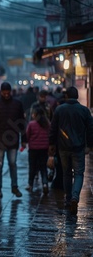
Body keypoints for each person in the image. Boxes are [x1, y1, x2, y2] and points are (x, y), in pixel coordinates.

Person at [48, 87, 93, 215]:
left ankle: (68, 200)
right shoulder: (84, 111)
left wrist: (51, 143)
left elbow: (53, 128)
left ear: (67, 96)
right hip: (78, 147)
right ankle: (75, 197)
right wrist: (89, 145)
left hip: (63, 147)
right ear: (77, 96)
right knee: (78, 173)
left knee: (66, 173)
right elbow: (90, 128)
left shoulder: (59, 109)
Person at [0, 82, 27, 198]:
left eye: (8, 92)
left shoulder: (17, 104)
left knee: (13, 163)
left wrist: (24, 139)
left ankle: (14, 187)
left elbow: (22, 122)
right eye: (4, 93)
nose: (6, 95)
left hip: (12, 140)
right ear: (1, 92)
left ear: (10, 92)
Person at [25, 107, 50, 194]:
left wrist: (25, 143)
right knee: (43, 167)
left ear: (35, 115)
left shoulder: (31, 124)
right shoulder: (47, 124)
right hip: (44, 149)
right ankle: (45, 184)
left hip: (33, 149)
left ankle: (30, 185)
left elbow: (27, 136)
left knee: (32, 167)